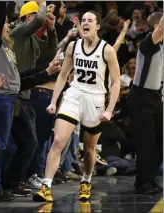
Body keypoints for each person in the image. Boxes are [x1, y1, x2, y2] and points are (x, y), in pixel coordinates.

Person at [33, 10, 120, 202]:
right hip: (74, 95)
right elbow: (63, 75)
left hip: (96, 99)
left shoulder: (107, 50)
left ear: (97, 26)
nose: (86, 23)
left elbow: (115, 82)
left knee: (90, 149)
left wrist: (109, 110)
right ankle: (46, 185)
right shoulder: (74, 46)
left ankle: (86, 180)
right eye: (83, 20)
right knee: (58, 140)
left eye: (90, 20)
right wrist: (54, 101)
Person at [127, 12, 163, 194]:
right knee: (146, 143)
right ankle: (142, 182)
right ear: (157, 27)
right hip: (141, 97)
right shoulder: (149, 43)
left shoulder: (162, 46)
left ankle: (151, 177)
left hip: (156, 97)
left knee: (159, 143)